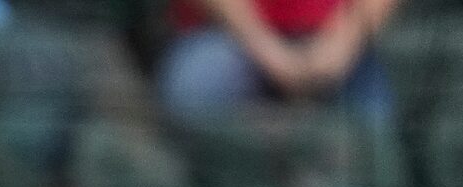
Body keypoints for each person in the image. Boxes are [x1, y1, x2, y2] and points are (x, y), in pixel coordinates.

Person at [157, 0, 396, 121]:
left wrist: (342, 44)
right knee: (196, 90)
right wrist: (266, 50)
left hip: (340, 47)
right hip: (228, 39)